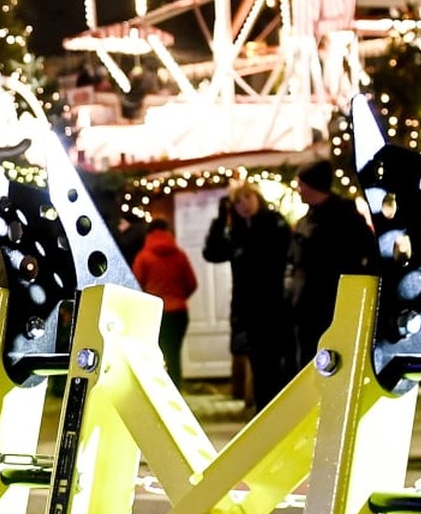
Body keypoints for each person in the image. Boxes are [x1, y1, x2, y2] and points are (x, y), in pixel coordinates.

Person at [203, 180, 294, 408]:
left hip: (273, 307)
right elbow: (212, 253)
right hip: (248, 309)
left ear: (256, 197)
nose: (243, 204)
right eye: (237, 201)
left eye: (247, 197)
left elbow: (282, 258)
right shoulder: (238, 231)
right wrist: (221, 217)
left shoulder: (274, 223)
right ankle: (264, 413)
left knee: (274, 367)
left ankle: (274, 412)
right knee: (258, 365)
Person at [285, 160, 378, 371]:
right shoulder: (306, 220)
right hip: (306, 305)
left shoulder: (345, 218)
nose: (299, 190)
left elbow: (367, 255)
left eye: (302, 185)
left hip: (334, 302)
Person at [132, 218, 198, 384]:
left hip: (154, 313)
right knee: (174, 355)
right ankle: (176, 391)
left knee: (154, 356)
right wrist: (178, 297)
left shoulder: (143, 257)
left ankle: (158, 394)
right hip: (178, 312)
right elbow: (192, 283)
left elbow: (135, 286)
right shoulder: (180, 255)